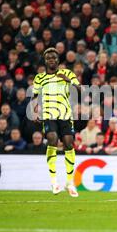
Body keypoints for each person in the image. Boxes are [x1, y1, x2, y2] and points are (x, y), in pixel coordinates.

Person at [31, 47, 80, 197]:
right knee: (52, 139)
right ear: (45, 61)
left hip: (65, 114)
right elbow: (34, 97)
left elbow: (80, 91)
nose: (51, 60)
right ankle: (54, 181)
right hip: (48, 114)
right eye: (48, 58)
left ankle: (69, 182)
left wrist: (69, 82)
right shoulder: (39, 78)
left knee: (68, 143)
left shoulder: (68, 74)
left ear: (58, 60)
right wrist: (35, 110)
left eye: (54, 57)